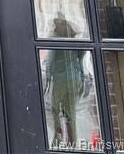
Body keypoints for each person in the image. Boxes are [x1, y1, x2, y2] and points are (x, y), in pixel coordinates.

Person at [42, 14, 87, 149]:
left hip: (59, 81)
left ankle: (57, 139)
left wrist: (47, 80)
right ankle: (73, 143)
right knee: (70, 113)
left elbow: (50, 61)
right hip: (74, 79)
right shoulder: (72, 38)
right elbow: (81, 57)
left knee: (54, 110)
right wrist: (81, 76)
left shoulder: (54, 39)